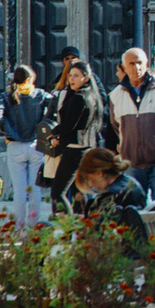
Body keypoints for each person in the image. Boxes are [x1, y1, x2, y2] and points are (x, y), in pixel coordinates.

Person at [107, 48, 155, 203]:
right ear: (124, 67)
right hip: (132, 162)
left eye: (140, 63)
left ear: (147, 63)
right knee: (135, 206)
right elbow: (116, 125)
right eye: (131, 63)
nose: (136, 67)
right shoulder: (116, 95)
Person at [0, 65, 52, 226]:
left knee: (19, 190)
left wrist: (6, 130)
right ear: (29, 79)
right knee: (35, 189)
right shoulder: (40, 95)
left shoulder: (6, 96)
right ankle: (33, 225)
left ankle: (19, 226)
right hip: (36, 144)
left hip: (14, 146)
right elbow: (54, 106)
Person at [47, 59, 105, 213]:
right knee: (79, 192)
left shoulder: (80, 97)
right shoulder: (92, 96)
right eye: (70, 75)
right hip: (86, 148)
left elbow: (68, 126)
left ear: (86, 78)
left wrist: (54, 134)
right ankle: (82, 229)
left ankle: (64, 229)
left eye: (76, 76)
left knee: (57, 192)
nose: (71, 79)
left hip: (74, 149)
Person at [73, 147, 148, 222]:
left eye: (89, 180)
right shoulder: (132, 184)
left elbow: (95, 229)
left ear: (99, 173)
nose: (92, 186)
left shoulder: (109, 196)